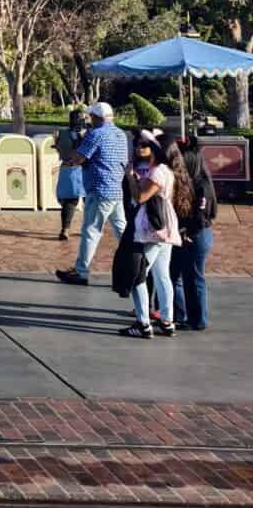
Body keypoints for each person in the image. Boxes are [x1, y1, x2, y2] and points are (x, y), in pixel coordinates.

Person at [121, 134, 191, 338]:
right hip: (164, 227)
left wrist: (130, 177)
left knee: (138, 275)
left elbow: (140, 196)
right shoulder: (165, 171)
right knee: (162, 275)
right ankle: (167, 321)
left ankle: (143, 323)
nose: (140, 148)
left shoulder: (158, 172)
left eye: (146, 146)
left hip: (153, 228)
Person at [56, 101, 131, 285]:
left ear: (97, 117)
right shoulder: (121, 134)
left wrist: (69, 152)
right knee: (122, 231)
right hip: (116, 189)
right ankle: (139, 263)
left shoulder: (96, 134)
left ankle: (81, 271)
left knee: (91, 231)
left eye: (92, 117)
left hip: (99, 189)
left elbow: (78, 158)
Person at [173, 137, 217, 331]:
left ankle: (197, 319)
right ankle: (182, 314)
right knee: (182, 275)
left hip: (196, 234)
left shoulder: (201, 187)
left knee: (194, 277)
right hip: (195, 234)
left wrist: (186, 231)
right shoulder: (198, 182)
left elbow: (200, 216)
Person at [53, 109, 86, 241]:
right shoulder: (86, 134)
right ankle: (82, 229)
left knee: (70, 200)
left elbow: (58, 148)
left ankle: (65, 229)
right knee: (83, 201)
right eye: (81, 119)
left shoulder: (61, 133)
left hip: (68, 169)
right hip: (80, 170)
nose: (82, 121)